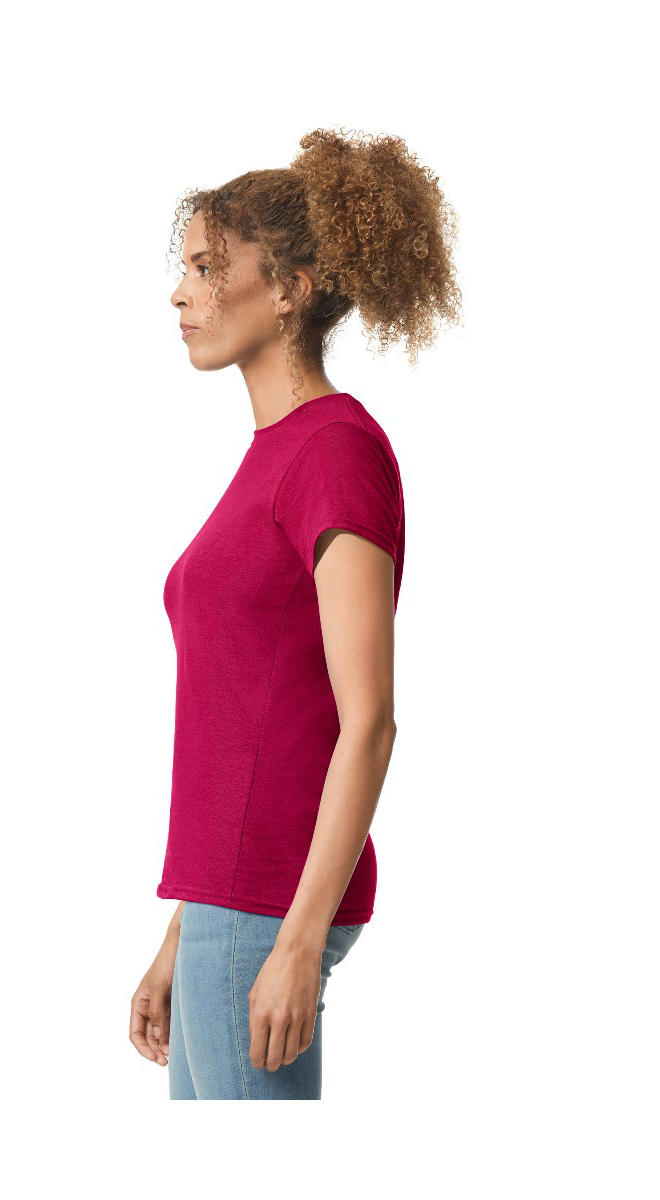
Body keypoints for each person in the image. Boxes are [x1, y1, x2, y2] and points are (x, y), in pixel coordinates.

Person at [129, 127, 461, 1099]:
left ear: (288, 288)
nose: (180, 293)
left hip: (270, 909)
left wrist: (298, 939)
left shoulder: (332, 452)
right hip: (229, 906)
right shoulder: (275, 454)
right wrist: (182, 929)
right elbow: (251, 721)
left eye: (206, 267)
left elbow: (368, 720)